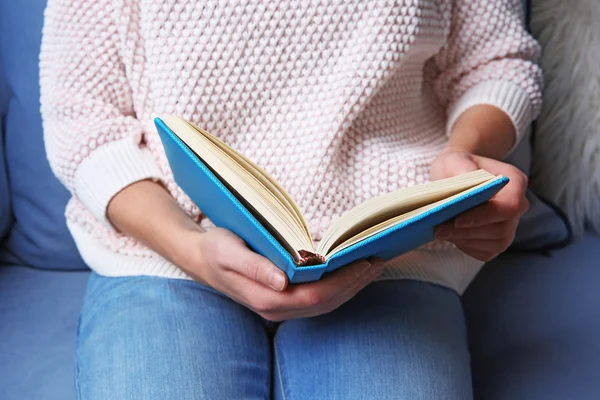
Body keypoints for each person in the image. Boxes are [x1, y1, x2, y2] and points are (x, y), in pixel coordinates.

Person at [40, 0, 541, 398]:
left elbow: (494, 63)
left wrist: (465, 158)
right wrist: (189, 248)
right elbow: (84, 121)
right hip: (165, 248)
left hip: (385, 254)